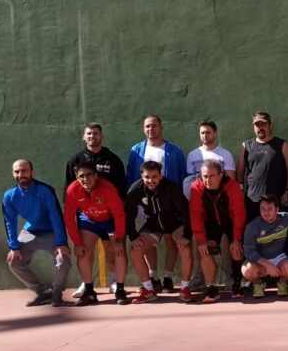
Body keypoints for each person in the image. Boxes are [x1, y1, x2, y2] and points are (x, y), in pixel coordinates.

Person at [64, 122, 127, 299]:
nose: (86, 179)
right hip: (89, 218)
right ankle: (88, 287)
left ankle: (119, 287)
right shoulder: (73, 186)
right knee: (83, 250)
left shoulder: (110, 178)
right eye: (89, 134)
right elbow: (69, 216)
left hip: (111, 218)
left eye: (96, 133)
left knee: (117, 250)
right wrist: (76, 242)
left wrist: (119, 238)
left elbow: (119, 212)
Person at [126, 115, 186, 293]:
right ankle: (153, 277)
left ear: (161, 127)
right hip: (144, 207)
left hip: (169, 207)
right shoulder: (136, 150)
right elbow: (131, 178)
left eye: (154, 126)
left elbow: (181, 177)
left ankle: (168, 277)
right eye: (147, 126)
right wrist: (138, 202)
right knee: (147, 241)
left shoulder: (174, 150)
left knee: (170, 240)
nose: (150, 129)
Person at [3, 159, 71, 307]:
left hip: (50, 232)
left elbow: (56, 216)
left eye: (25, 171)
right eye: (17, 171)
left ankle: (57, 292)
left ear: (32, 172)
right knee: (14, 262)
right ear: (13, 174)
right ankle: (43, 292)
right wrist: (14, 246)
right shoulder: (9, 196)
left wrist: (61, 242)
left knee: (63, 258)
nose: (21, 174)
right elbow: (10, 222)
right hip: (30, 232)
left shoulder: (45, 190)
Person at [125, 161, 193, 303]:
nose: (151, 180)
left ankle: (185, 288)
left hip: (174, 223)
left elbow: (186, 212)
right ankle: (149, 290)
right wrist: (133, 236)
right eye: (147, 177)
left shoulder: (171, 188)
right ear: (142, 176)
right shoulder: (135, 190)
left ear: (161, 175)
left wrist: (186, 235)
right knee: (135, 251)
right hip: (153, 225)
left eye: (154, 177)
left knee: (185, 248)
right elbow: (128, 215)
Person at [189, 160, 247, 303]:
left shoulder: (232, 186)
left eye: (211, 176)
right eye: (205, 176)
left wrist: (237, 239)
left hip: (230, 224)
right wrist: (202, 241)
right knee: (202, 246)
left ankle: (236, 284)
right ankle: (211, 288)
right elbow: (195, 215)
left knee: (235, 247)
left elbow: (239, 214)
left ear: (221, 175)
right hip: (210, 226)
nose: (207, 180)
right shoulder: (196, 188)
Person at [238, 110, 288, 219]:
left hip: (276, 200)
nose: (260, 127)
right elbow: (240, 170)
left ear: (270, 125)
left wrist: (287, 191)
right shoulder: (246, 146)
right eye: (257, 125)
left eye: (263, 124)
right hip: (252, 200)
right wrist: (240, 189)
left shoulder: (282, 145)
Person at [240, 195, 288, 299]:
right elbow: (249, 251)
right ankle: (258, 284)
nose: (266, 212)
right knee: (246, 270)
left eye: (270, 209)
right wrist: (267, 264)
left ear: (277, 209)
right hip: (261, 261)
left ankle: (282, 283)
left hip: (280, 258)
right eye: (263, 209)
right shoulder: (252, 227)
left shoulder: (286, 218)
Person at [184, 119, 237, 197]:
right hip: (199, 198)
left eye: (208, 132)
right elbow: (190, 181)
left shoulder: (225, 154)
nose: (205, 136)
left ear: (215, 133)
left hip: (220, 198)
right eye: (202, 133)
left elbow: (230, 180)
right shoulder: (192, 155)